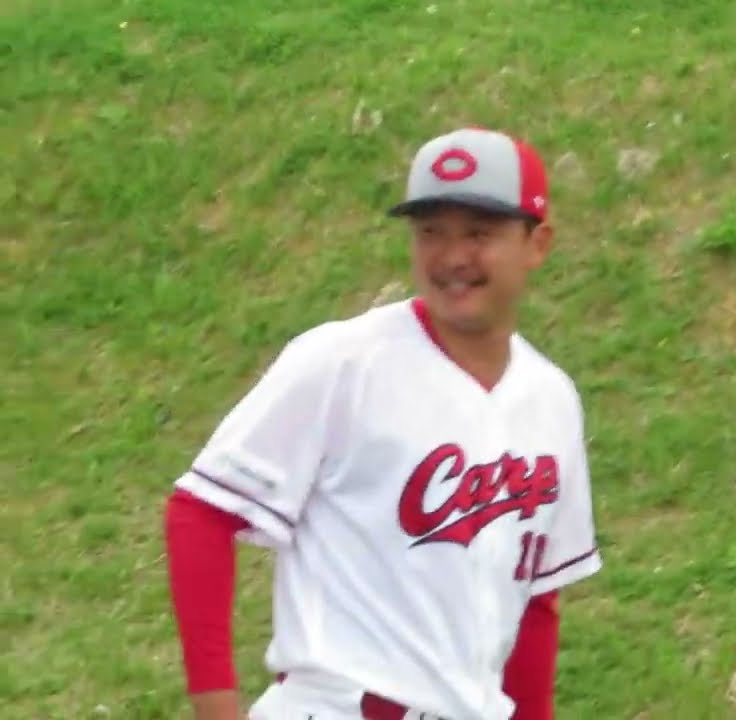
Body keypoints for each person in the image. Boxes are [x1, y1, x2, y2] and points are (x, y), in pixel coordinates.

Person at [164, 127, 603, 720]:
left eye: (479, 232)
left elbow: (534, 601)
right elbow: (200, 514)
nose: (452, 257)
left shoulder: (551, 398)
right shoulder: (344, 361)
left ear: (537, 243)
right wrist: (217, 710)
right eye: (431, 232)